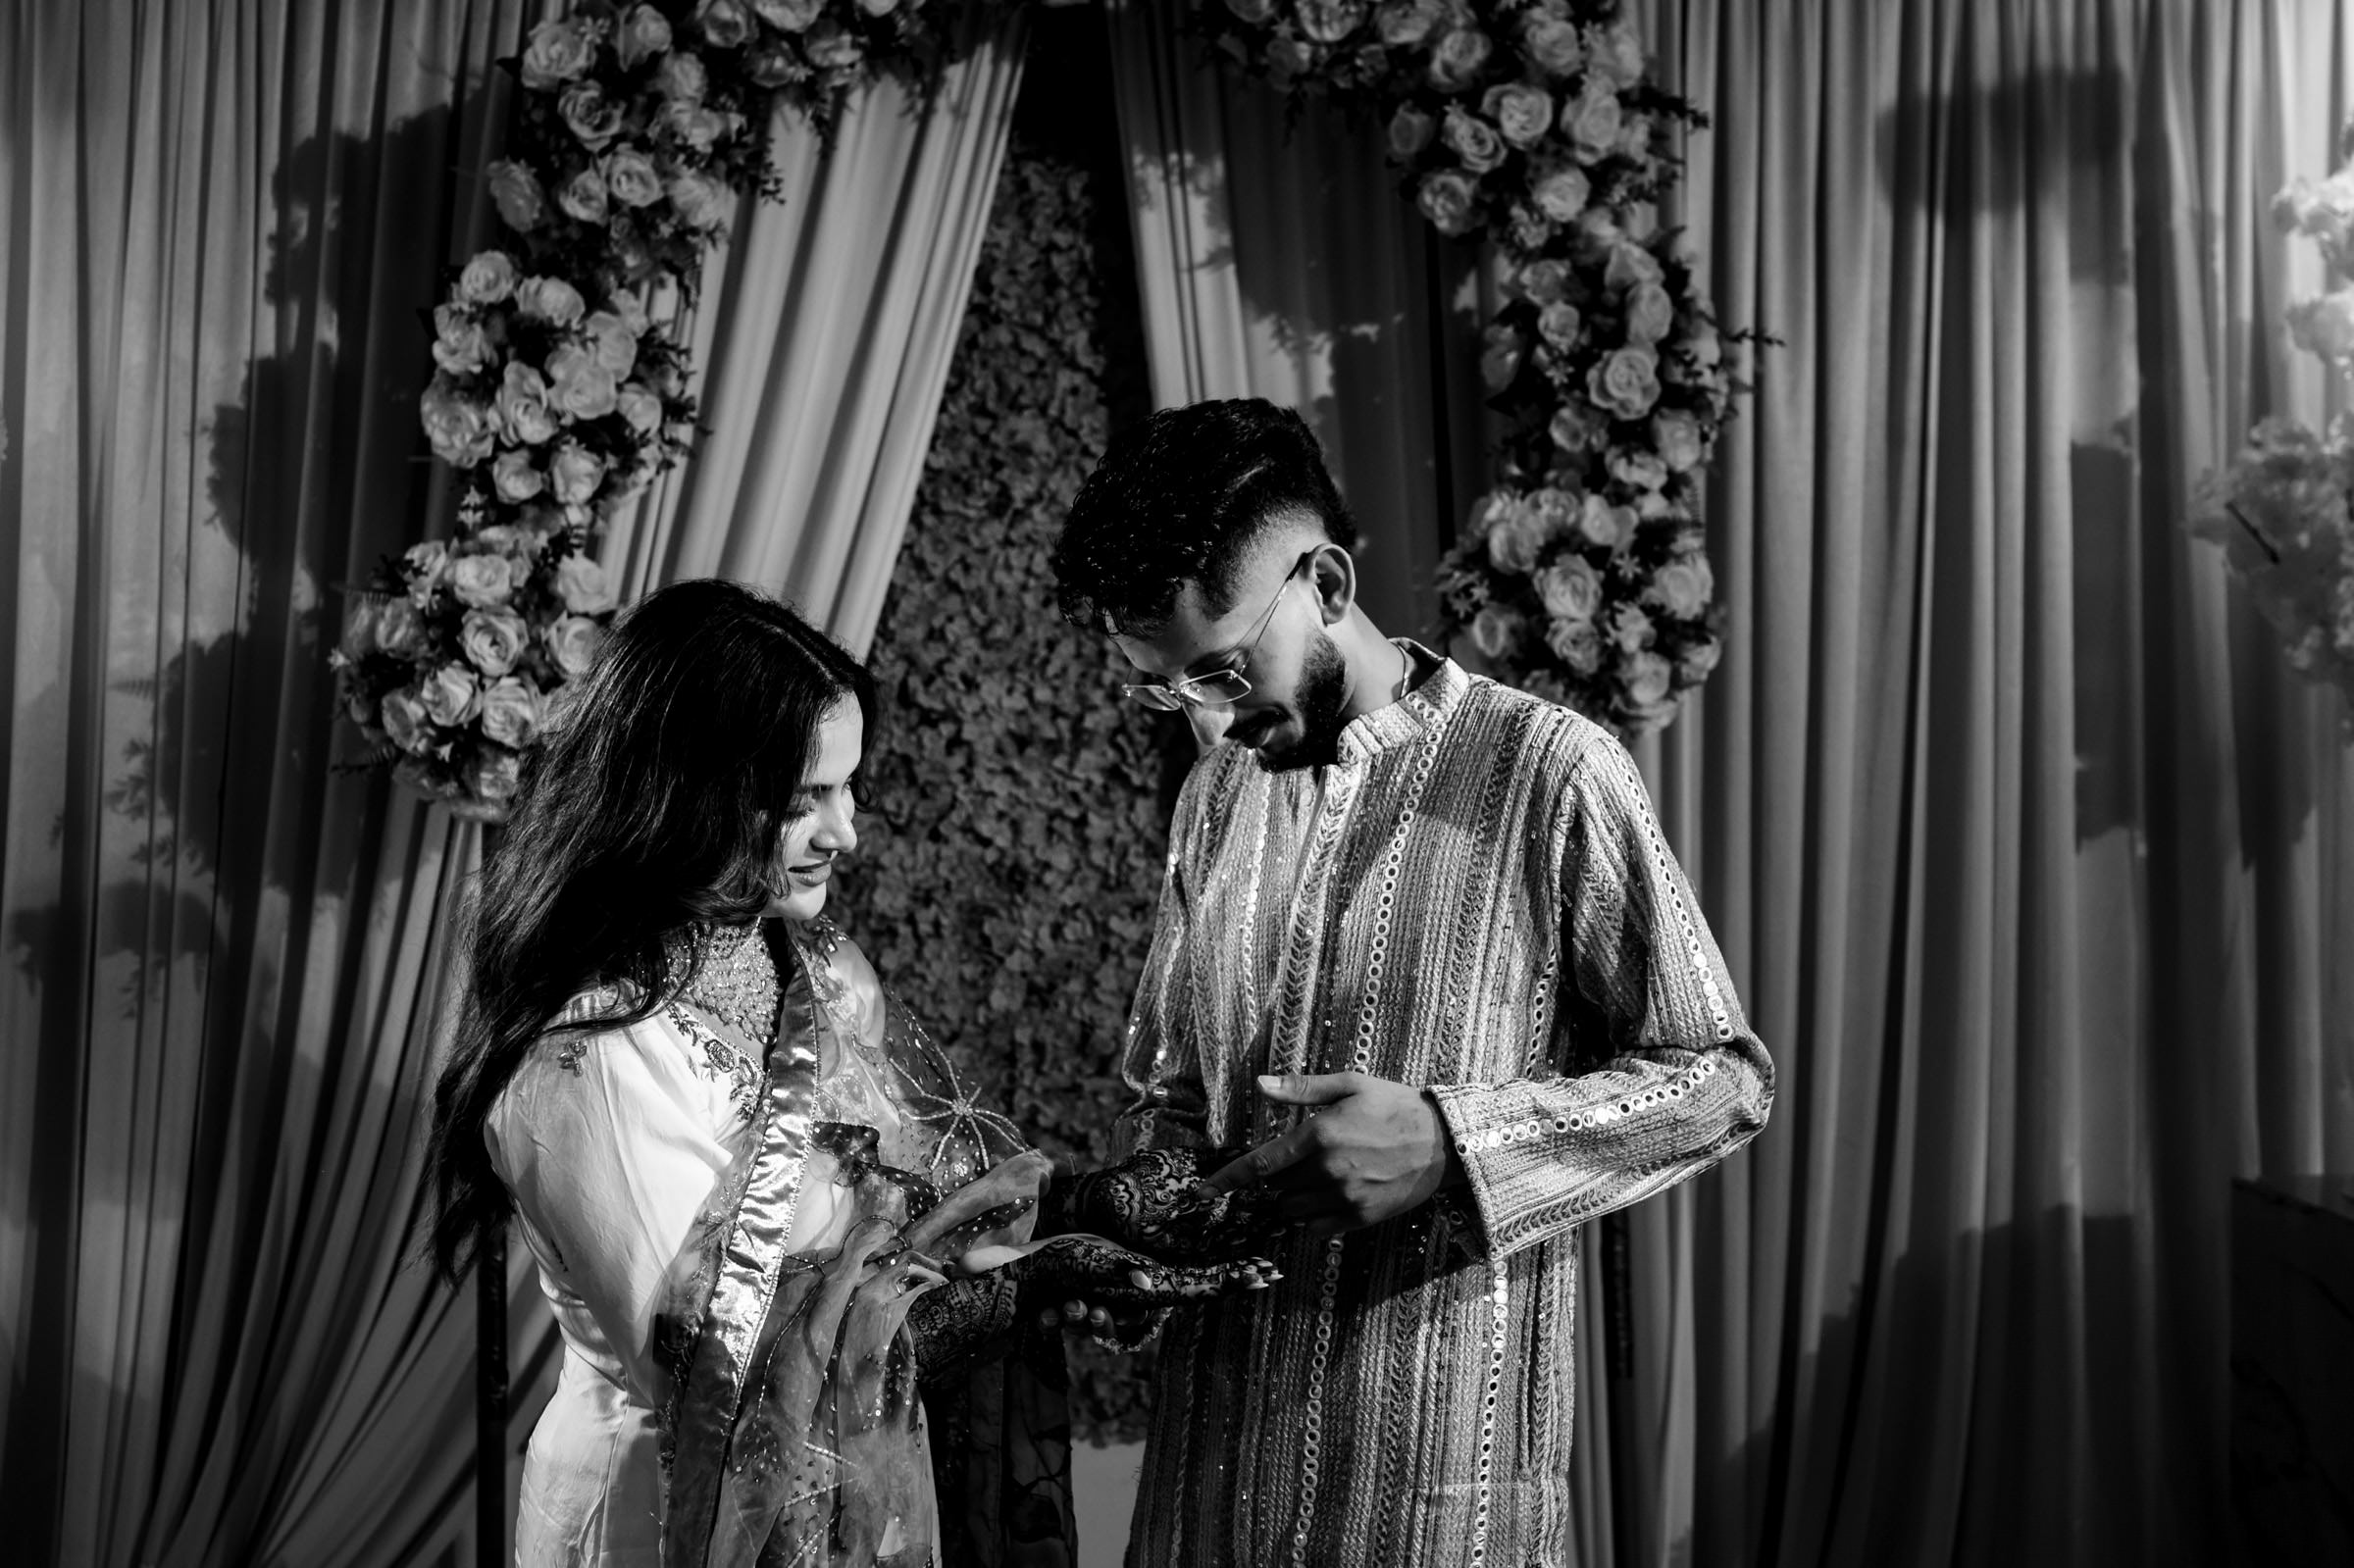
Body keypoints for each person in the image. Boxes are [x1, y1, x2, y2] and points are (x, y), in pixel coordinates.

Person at [1050, 399, 1775, 1566]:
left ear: (1327, 585)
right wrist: (1143, 1236)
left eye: (1227, 670)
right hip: (1208, 1486)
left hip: (1435, 1491)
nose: (1211, 719)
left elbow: (1719, 1078)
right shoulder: (1218, 797)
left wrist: (1453, 1144)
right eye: (1167, 688)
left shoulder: (1549, 773)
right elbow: (1172, 1091)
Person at [423, 579, 1275, 1568]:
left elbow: (914, 1226)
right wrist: (1024, 1286)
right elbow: (724, 1377)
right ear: (683, 794)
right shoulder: (591, 1062)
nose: (847, 833)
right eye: (805, 801)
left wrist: (1081, 1216)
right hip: (665, 1518)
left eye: (849, 786)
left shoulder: (822, 971)